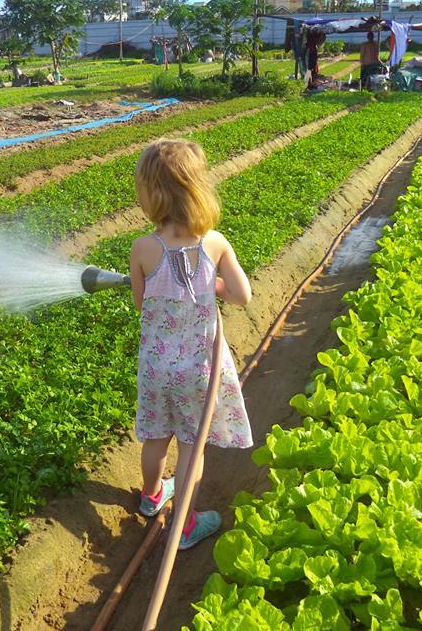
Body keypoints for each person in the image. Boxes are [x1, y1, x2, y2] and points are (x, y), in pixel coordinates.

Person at [129, 139, 253, 550]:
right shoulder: (214, 243)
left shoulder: (143, 248)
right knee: (190, 447)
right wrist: (211, 284)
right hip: (198, 369)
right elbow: (241, 295)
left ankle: (150, 498)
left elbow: (140, 300)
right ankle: (185, 526)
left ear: (153, 195)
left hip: (156, 367)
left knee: (156, 438)